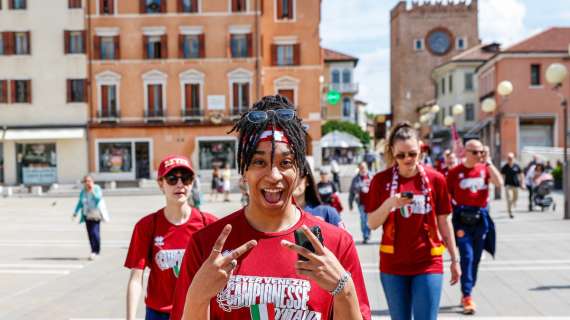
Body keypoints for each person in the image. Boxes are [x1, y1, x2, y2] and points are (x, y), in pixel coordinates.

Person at [171, 95, 371, 320]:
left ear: (299, 170)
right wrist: (197, 296)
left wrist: (344, 289)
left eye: (285, 163)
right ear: (243, 171)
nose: (274, 175)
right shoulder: (206, 245)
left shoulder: (336, 243)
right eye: (259, 162)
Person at [364, 122, 460, 320]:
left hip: (428, 261)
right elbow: (371, 223)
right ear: (392, 152)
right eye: (401, 155)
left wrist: (454, 259)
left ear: (421, 148)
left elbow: (444, 221)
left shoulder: (436, 179)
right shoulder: (381, 181)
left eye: (412, 154)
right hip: (393, 265)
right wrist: (390, 203)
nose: (407, 159)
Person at [124, 155, 217, 320]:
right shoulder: (146, 226)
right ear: (161, 183)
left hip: (197, 312)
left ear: (192, 182)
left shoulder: (209, 224)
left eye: (186, 178)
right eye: (172, 179)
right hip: (158, 313)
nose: (180, 184)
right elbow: (136, 278)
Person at [447, 139, 503, 314]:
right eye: (475, 152)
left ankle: (467, 290)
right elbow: (446, 195)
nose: (479, 155)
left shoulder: (485, 169)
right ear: (466, 152)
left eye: (481, 152)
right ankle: (467, 295)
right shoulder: (455, 172)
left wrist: (488, 162)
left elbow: (499, 182)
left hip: (480, 218)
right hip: (462, 219)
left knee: (477, 257)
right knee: (467, 256)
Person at [293, 160, 345, 228]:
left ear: (307, 180)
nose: (293, 180)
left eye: (299, 175)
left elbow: (336, 195)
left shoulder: (328, 213)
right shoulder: (318, 186)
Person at [72, 175, 110, 260]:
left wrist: (92, 190)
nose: (87, 183)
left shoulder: (96, 188)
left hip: (96, 213)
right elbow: (80, 203)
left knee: (95, 233)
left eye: (89, 181)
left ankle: (97, 250)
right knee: (90, 234)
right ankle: (93, 251)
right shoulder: (83, 191)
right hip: (86, 214)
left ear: (92, 181)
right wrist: (75, 212)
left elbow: (98, 198)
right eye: (85, 181)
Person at [348, 161, 372, 244]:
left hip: (371, 202)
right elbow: (351, 192)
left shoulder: (372, 176)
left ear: (366, 167)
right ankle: (365, 236)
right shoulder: (355, 179)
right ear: (359, 168)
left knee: (368, 219)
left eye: (364, 167)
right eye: (361, 167)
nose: (362, 169)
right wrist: (350, 204)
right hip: (361, 203)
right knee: (363, 219)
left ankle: (368, 233)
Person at [501, 153, 525, 218]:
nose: (510, 160)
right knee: (509, 199)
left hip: (515, 185)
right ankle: (510, 212)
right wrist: (501, 182)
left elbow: (521, 175)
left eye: (511, 158)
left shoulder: (517, 166)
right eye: (508, 158)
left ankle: (513, 203)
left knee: (516, 198)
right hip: (507, 185)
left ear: (513, 159)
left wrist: (522, 183)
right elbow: (502, 175)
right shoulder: (505, 167)